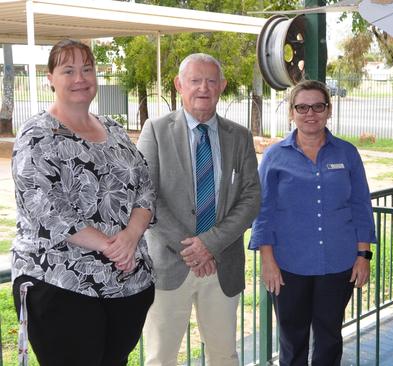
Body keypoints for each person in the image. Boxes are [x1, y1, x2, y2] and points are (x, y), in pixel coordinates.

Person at [11, 39, 155, 366]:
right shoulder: (36, 135)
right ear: (49, 78)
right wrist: (111, 246)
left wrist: (130, 237)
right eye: (68, 70)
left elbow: (145, 188)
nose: (80, 78)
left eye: (87, 69)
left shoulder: (115, 130)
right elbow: (47, 211)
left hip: (127, 285)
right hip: (62, 285)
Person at [137, 53, 260, 366]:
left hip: (221, 265)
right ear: (180, 85)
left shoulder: (241, 137)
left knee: (223, 355)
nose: (203, 87)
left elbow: (251, 197)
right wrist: (192, 248)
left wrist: (210, 243)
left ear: (222, 86)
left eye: (210, 80)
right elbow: (145, 194)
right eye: (195, 80)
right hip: (168, 264)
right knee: (160, 358)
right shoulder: (155, 130)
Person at [249, 80, 376, 366]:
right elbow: (263, 211)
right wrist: (267, 260)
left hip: (338, 263)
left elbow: (360, 206)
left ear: (328, 110)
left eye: (318, 106)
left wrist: (363, 255)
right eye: (302, 107)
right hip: (288, 265)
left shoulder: (347, 153)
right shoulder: (275, 156)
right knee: (292, 341)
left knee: (329, 338)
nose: (310, 113)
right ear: (291, 113)